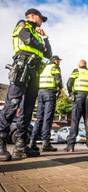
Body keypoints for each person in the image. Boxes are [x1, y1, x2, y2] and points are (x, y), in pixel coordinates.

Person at [0, 8, 52, 161]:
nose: (42, 21)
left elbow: (48, 54)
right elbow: (27, 39)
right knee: (12, 104)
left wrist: (46, 38)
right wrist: (41, 45)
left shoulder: (38, 34)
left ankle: (21, 145)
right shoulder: (23, 25)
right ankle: (1, 141)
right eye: (41, 18)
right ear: (33, 16)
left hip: (34, 72)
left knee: (28, 109)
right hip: (22, 67)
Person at [29, 56, 62, 152]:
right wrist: (60, 88)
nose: (59, 62)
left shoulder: (44, 68)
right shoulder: (55, 67)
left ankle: (32, 142)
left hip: (40, 93)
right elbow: (58, 79)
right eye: (58, 61)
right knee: (48, 118)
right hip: (49, 93)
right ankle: (46, 143)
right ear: (55, 61)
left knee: (39, 118)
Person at [65, 59, 88, 152]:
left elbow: (69, 83)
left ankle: (70, 146)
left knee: (75, 121)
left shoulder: (76, 71)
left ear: (79, 65)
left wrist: (71, 94)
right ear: (86, 65)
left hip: (78, 97)